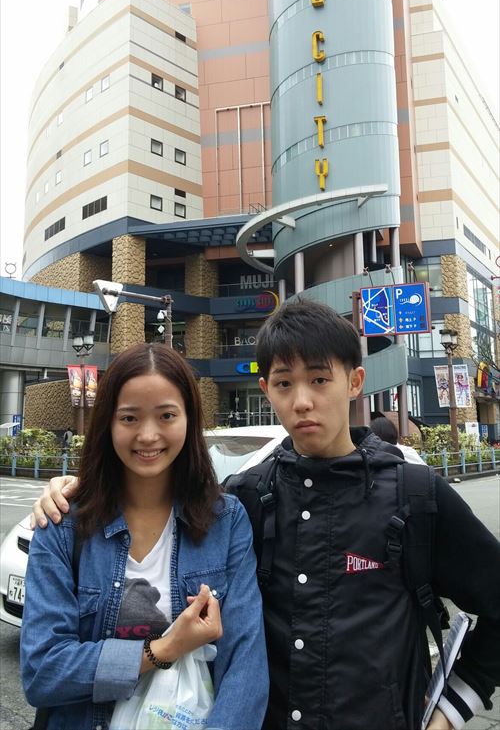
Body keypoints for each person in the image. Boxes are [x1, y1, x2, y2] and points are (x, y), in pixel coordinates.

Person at [32, 300, 500, 730]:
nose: (302, 401)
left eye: (319, 380)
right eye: (284, 383)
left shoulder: (413, 495)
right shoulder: (248, 497)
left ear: (355, 381)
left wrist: (449, 713)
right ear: (266, 390)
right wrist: (72, 489)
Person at [22, 343, 268, 730]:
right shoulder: (64, 522)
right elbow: (42, 671)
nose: (148, 435)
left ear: (188, 418)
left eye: (166, 415)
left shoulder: (225, 521)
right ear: (108, 423)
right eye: (129, 418)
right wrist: (163, 649)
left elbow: (245, 668)